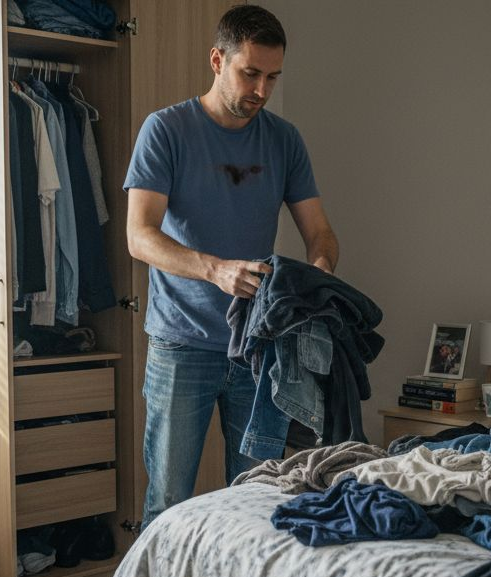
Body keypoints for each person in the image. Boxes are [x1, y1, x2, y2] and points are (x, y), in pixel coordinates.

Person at [123, 5, 340, 531]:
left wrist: (319, 272)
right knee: (169, 502)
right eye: (250, 73)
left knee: (257, 498)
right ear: (217, 59)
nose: (262, 90)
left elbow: (320, 232)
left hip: (257, 346)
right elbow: (139, 236)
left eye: (272, 77)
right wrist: (215, 270)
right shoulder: (166, 130)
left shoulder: (284, 140)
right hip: (182, 344)